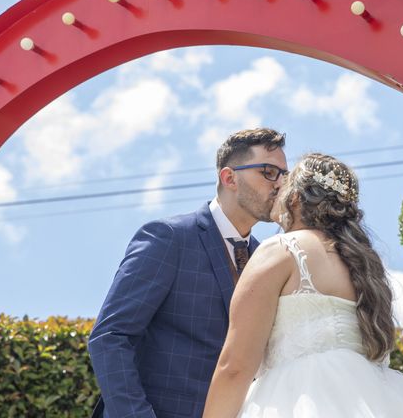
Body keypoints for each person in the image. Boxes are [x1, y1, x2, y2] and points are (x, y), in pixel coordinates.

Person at [203, 152, 403, 417]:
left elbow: (235, 367)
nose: (276, 190)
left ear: (294, 198)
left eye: (284, 184)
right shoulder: (364, 266)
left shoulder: (283, 250)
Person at [88, 128, 288, 418]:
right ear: (229, 178)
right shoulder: (168, 237)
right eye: (269, 172)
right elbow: (110, 336)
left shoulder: (268, 258)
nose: (280, 184)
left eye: (284, 174)